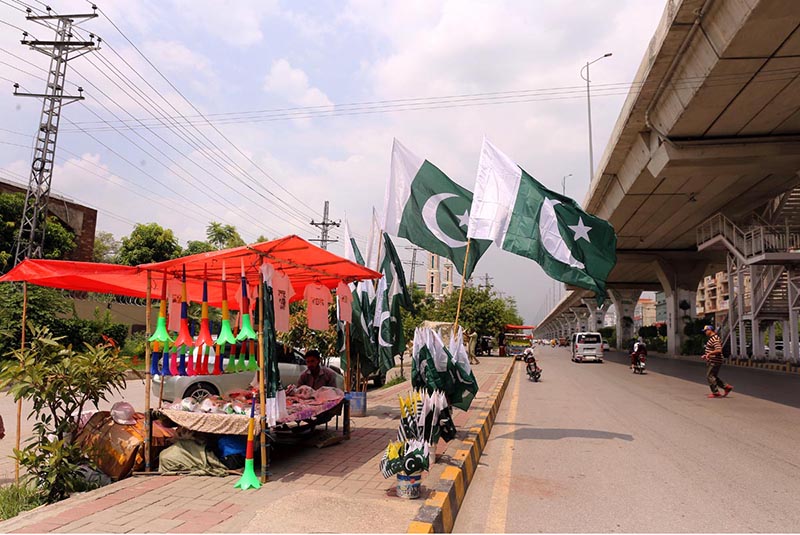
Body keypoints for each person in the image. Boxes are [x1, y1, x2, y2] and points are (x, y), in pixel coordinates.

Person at [702, 325, 733, 398]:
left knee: (710, 376)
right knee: (713, 376)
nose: (705, 332)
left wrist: (709, 353)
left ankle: (716, 392)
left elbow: (718, 350)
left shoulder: (715, 339)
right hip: (713, 359)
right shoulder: (712, 338)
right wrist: (706, 355)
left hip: (715, 361)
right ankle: (726, 387)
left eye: (706, 331)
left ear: (710, 330)